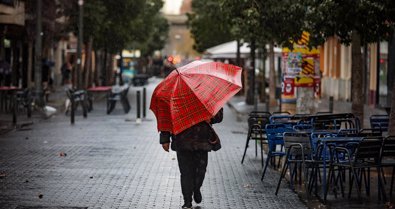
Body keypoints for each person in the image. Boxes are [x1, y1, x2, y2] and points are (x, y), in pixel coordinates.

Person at [159, 108, 223, 209]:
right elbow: (166, 118)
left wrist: (211, 118)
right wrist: (164, 138)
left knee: (201, 171)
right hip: (182, 140)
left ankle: (196, 188)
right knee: (186, 172)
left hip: (201, 140)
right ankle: (187, 201)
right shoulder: (175, 96)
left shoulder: (205, 94)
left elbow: (219, 116)